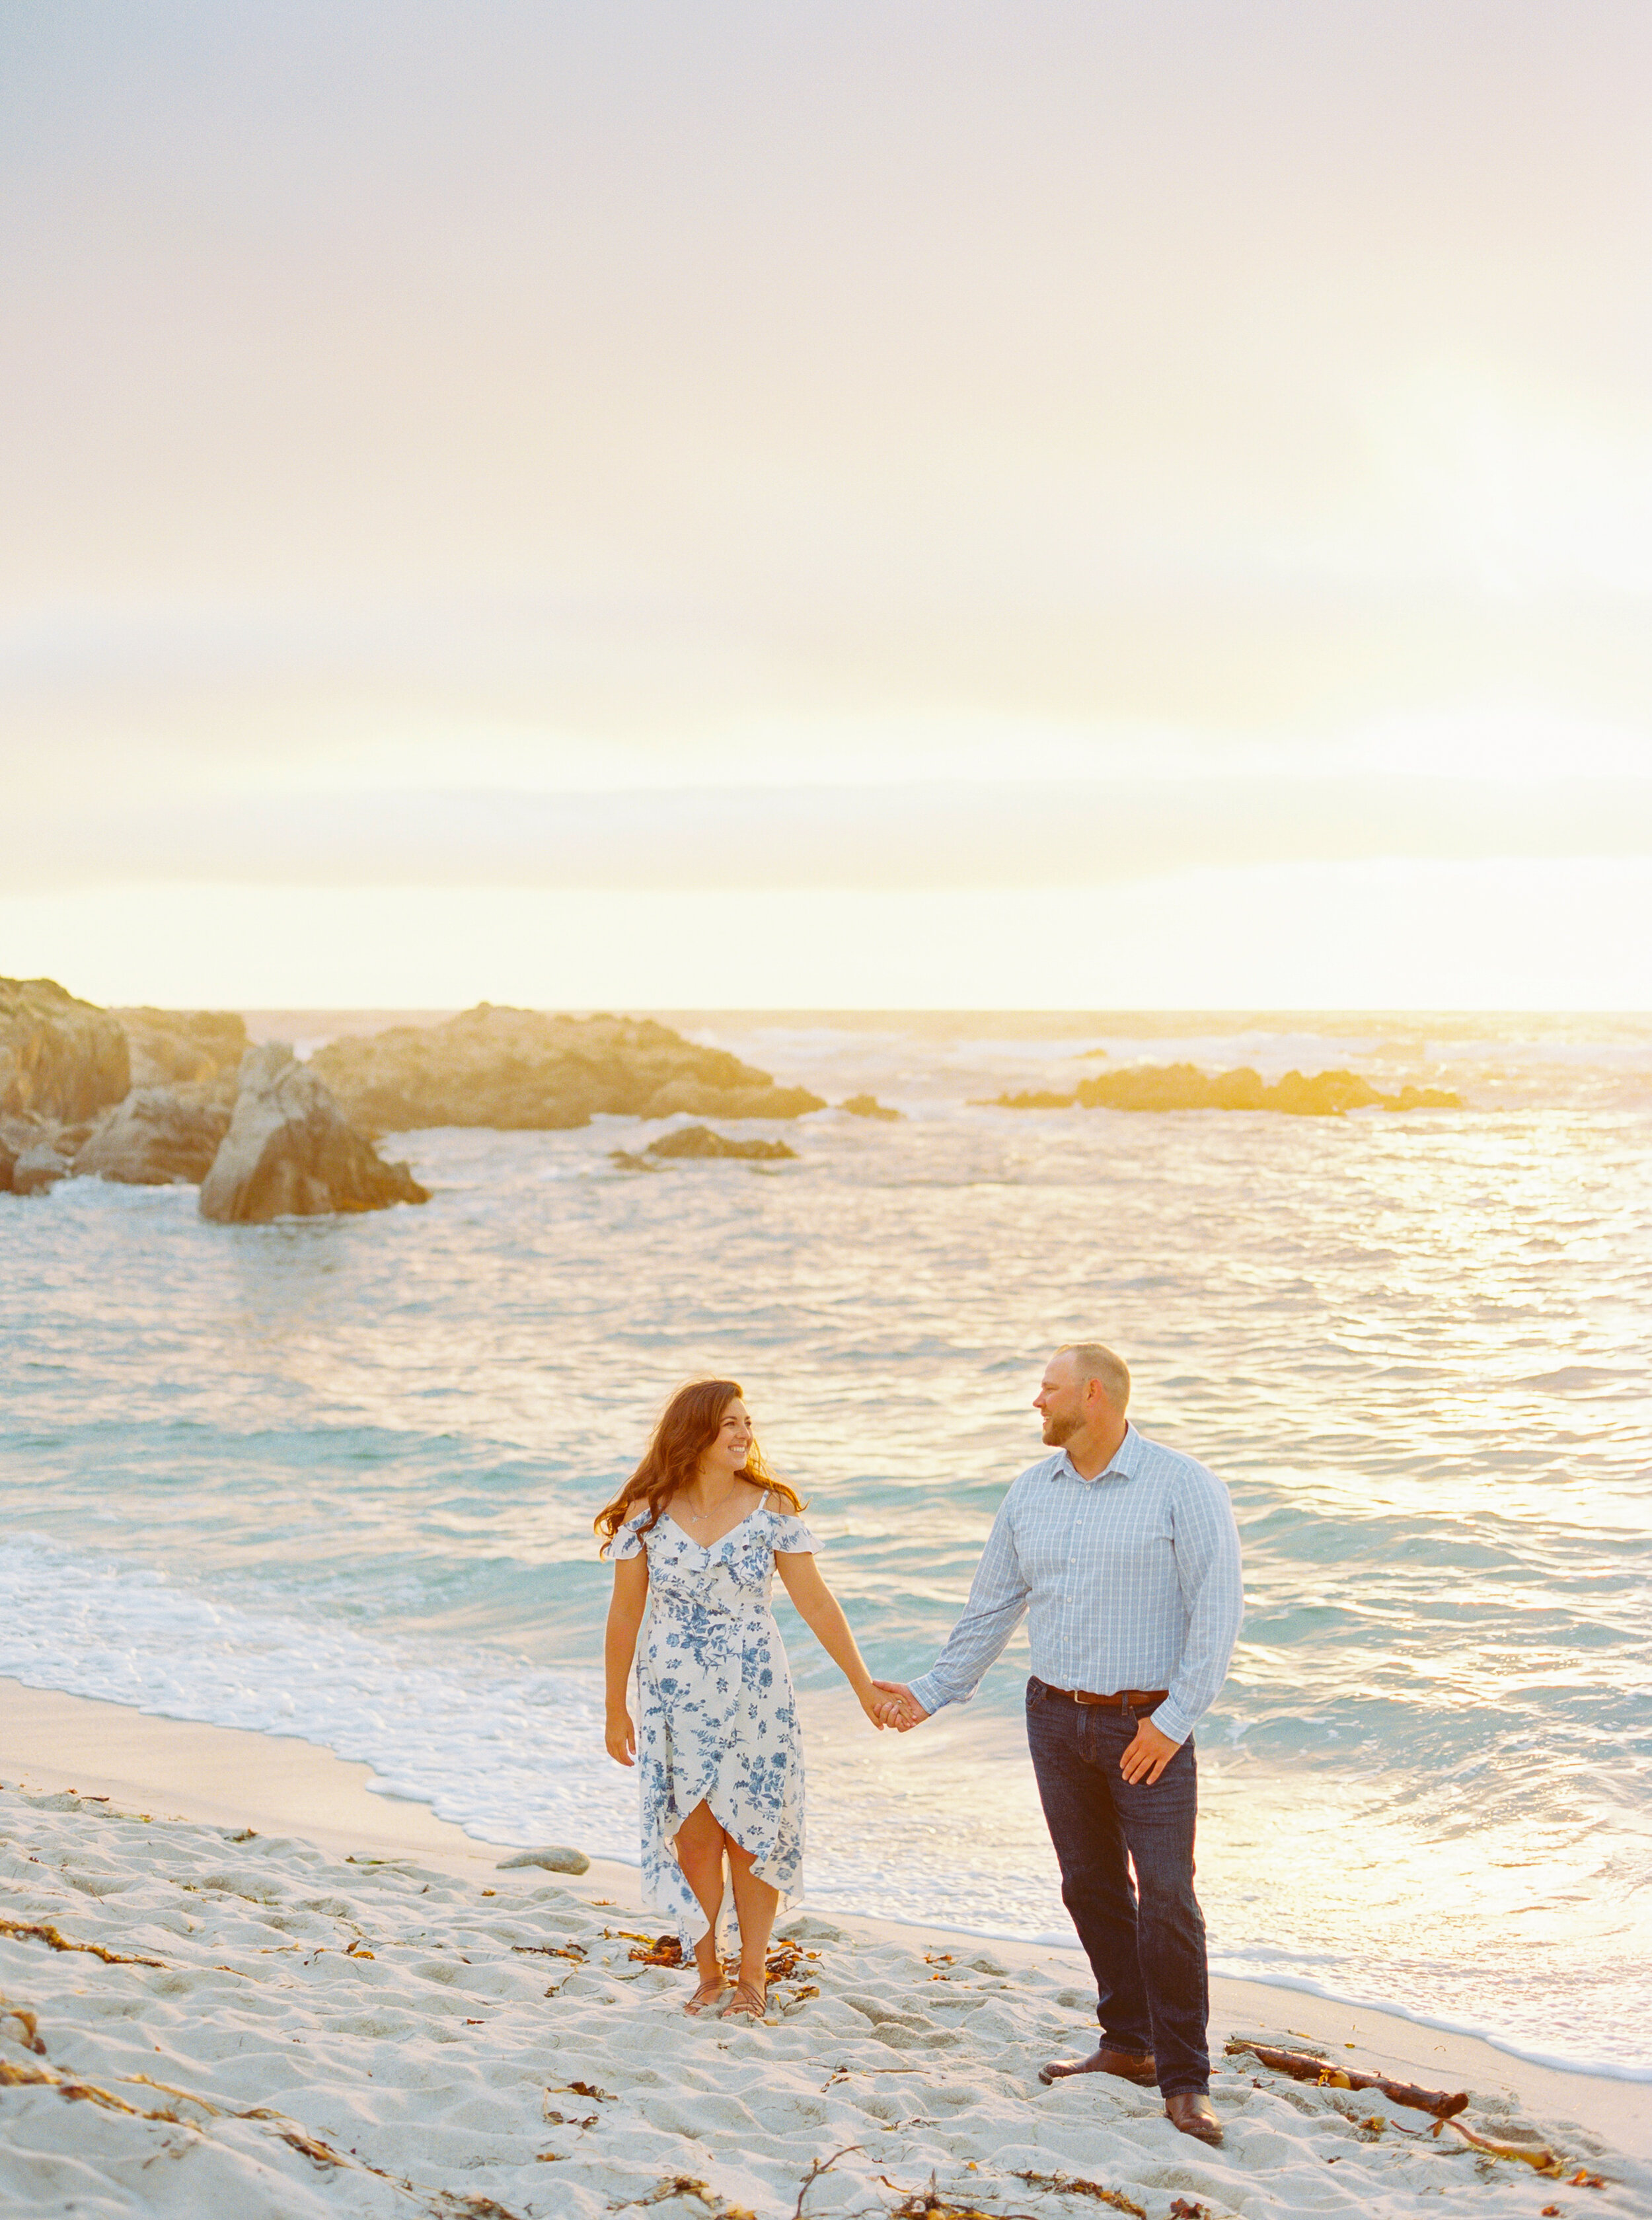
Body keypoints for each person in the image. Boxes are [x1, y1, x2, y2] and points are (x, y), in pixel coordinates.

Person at [874, 1343, 1243, 2147]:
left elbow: (1217, 1615)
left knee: (1169, 1900)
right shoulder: (1028, 1493)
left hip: (1146, 1727)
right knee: (1089, 1887)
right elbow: (992, 1607)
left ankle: (1186, 2079)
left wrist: (1172, 1722)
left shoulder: (1181, 1485)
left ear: (1095, 1395)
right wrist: (930, 1694)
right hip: (1053, 1716)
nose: (1035, 1404)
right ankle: (1128, 2044)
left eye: (1047, 1390)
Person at [598, 1378, 893, 2024]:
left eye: (747, 1423)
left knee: (754, 1833)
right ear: (694, 1433)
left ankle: (753, 1976)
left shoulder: (772, 1510)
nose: (743, 1434)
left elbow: (816, 1603)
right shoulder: (645, 1514)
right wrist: (614, 1708)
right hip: (673, 1694)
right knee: (696, 1840)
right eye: (729, 1423)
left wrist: (862, 1684)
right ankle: (708, 1974)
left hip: (755, 1690)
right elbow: (624, 1616)